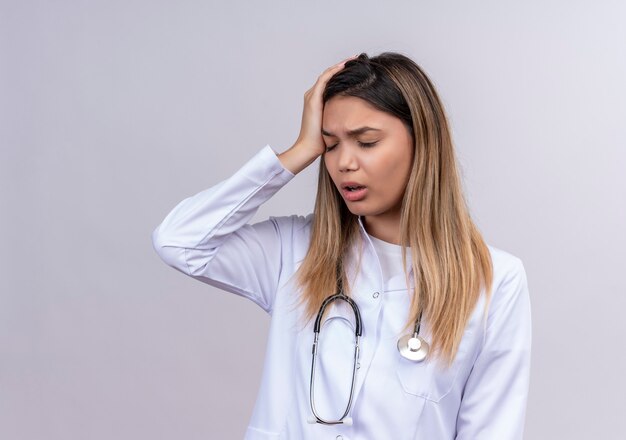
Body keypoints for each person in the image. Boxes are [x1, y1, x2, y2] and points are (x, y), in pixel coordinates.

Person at [151, 52, 532, 439]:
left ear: (424, 144)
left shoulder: (495, 282)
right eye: (330, 145)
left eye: (366, 142)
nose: (343, 163)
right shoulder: (295, 252)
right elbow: (180, 241)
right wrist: (298, 152)